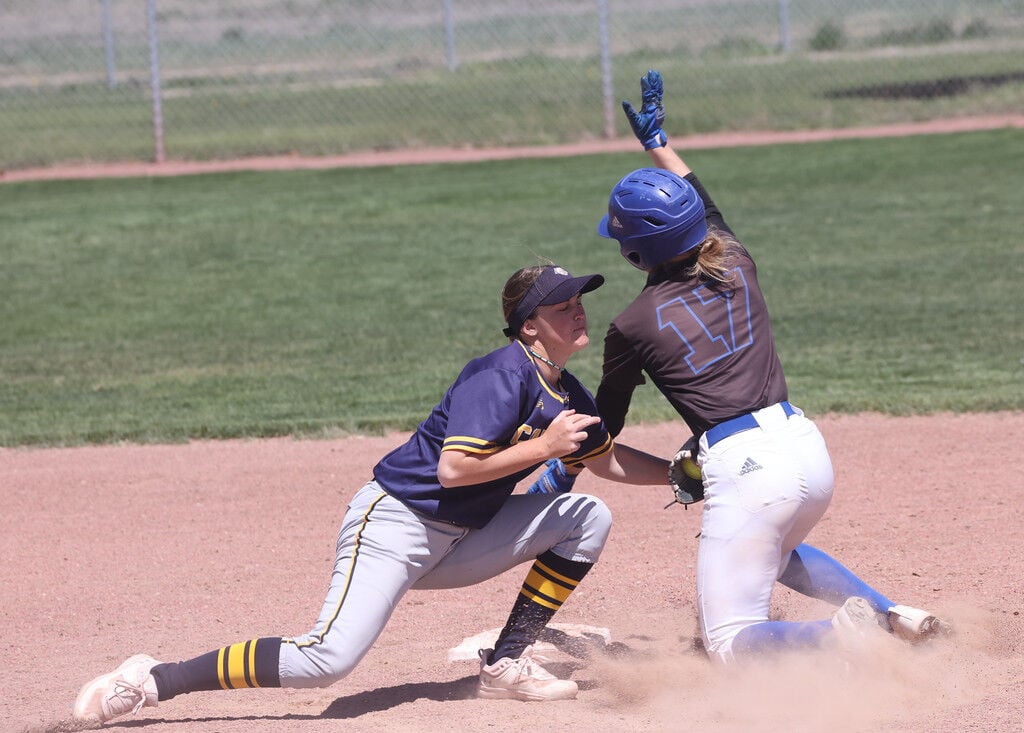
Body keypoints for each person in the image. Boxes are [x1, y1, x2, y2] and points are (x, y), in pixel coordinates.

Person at [72, 264, 672, 725]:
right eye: (562, 306)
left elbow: (608, 460)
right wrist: (544, 449)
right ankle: (154, 678)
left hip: (464, 540)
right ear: (529, 324)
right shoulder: (498, 374)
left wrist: (679, 475)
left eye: (579, 303)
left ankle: (505, 662)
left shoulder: (568, 396)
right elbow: (454, 470)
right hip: (396, 527)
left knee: (586, 513)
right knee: (325, 662)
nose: (578, 313)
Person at [536, 70, 950, 663]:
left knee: (728, 644)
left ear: (633, 254)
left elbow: (607, 425)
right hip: (805, 447)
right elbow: (701, 202)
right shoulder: (734, 261)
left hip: (745, 469)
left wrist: (561, 464)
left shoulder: (630, 324)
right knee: (772, 553)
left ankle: (842, 637)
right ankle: (894, 618)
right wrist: (658, 141)